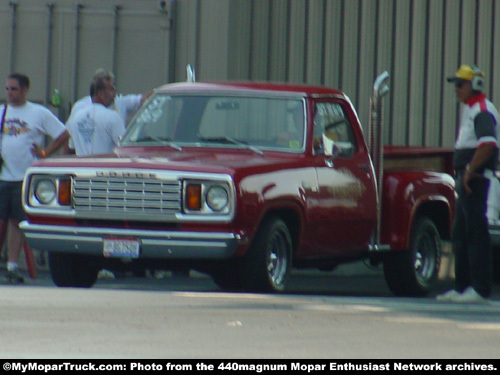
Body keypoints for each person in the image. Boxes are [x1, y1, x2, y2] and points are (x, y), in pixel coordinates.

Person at [436, 64, 500, 303]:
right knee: (461, 233)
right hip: (467, 178)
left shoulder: (482, 110)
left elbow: (488, 144)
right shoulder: (471, 110)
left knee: (475, 232)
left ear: (475, 85)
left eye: (461, 84)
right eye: (456, 84)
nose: (457, 89)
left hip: (475, 180)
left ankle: (480, 288)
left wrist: (470, 171)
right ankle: (462, 286)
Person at [1, 73, 70, 283]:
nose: (9, 93)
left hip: (25, 177)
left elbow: (63, 134)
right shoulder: (2, 111)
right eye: (7, 89)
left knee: (17, 223)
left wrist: (45, 153)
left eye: (13, 89)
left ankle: (12, 265)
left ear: (24, 90)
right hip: (3, 176)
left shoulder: (39, 113)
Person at [68, 68, 153, 125]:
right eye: (110, 89)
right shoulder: (80, 107)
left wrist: (161, 90)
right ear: (99, 92)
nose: (114, 94)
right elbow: (69, 135)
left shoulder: (121, 102)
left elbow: (143, 99)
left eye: (113, 89)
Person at [66, 78, 125, 156]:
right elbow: (125, 147)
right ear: (100, 94)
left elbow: (71, 147)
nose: (114, 94)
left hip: (81, 167)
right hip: (105, 167)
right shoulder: (112, 116)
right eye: (111, 90)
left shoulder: (75, 117)